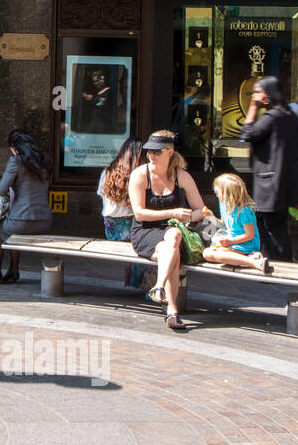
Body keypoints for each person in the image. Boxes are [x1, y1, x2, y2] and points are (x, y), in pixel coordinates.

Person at [127, 130, 210, 331]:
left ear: (169, 152)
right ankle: (171, 308)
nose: (151, 156)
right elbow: (139, 214)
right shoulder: (140, 175)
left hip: (172, 233)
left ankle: (160, 290)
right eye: (149, 152)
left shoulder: (182, 176)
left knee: (172, 241)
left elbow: (203, 210)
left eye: (156, 152)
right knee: (174, 243)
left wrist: (188, 216)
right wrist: (172, 212)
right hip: (145, 231)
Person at [240, 76, 298, 264]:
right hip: (286, 182)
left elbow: (247, 134)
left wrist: (253, 108)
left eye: (256, 92)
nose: (254, 96)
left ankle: (279, 264)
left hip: (271, 183)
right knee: (272, 223)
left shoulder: (272, 117)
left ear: (266, 95)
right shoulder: (290, 116)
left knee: (273, 226)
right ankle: (273, 259)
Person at [0, 130, 53, 284]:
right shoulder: (44, 161)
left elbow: (1, 189)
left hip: (22, 221)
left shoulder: (16, 161)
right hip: (45, 221)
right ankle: (13, 270)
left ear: (13, 147)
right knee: (12, 226)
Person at [97, 138, 146, 290]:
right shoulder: (142, 176)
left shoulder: (107, 172)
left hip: (112, 230)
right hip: (133, 227)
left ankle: (134, 280)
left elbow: (102, 197)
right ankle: (138, 282)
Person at [202, 173, 272, 273]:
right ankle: (250, 259)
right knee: (207, 253)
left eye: (216, 190)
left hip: (246, 245)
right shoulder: (224, 205)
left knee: (216, 253)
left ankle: (254, 263)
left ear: (226, 193)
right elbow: (223, 225)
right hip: (232, 244)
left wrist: (230, 241)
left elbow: (249, 235)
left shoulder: (244, 211)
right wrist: (211, 217)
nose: (215, 193)